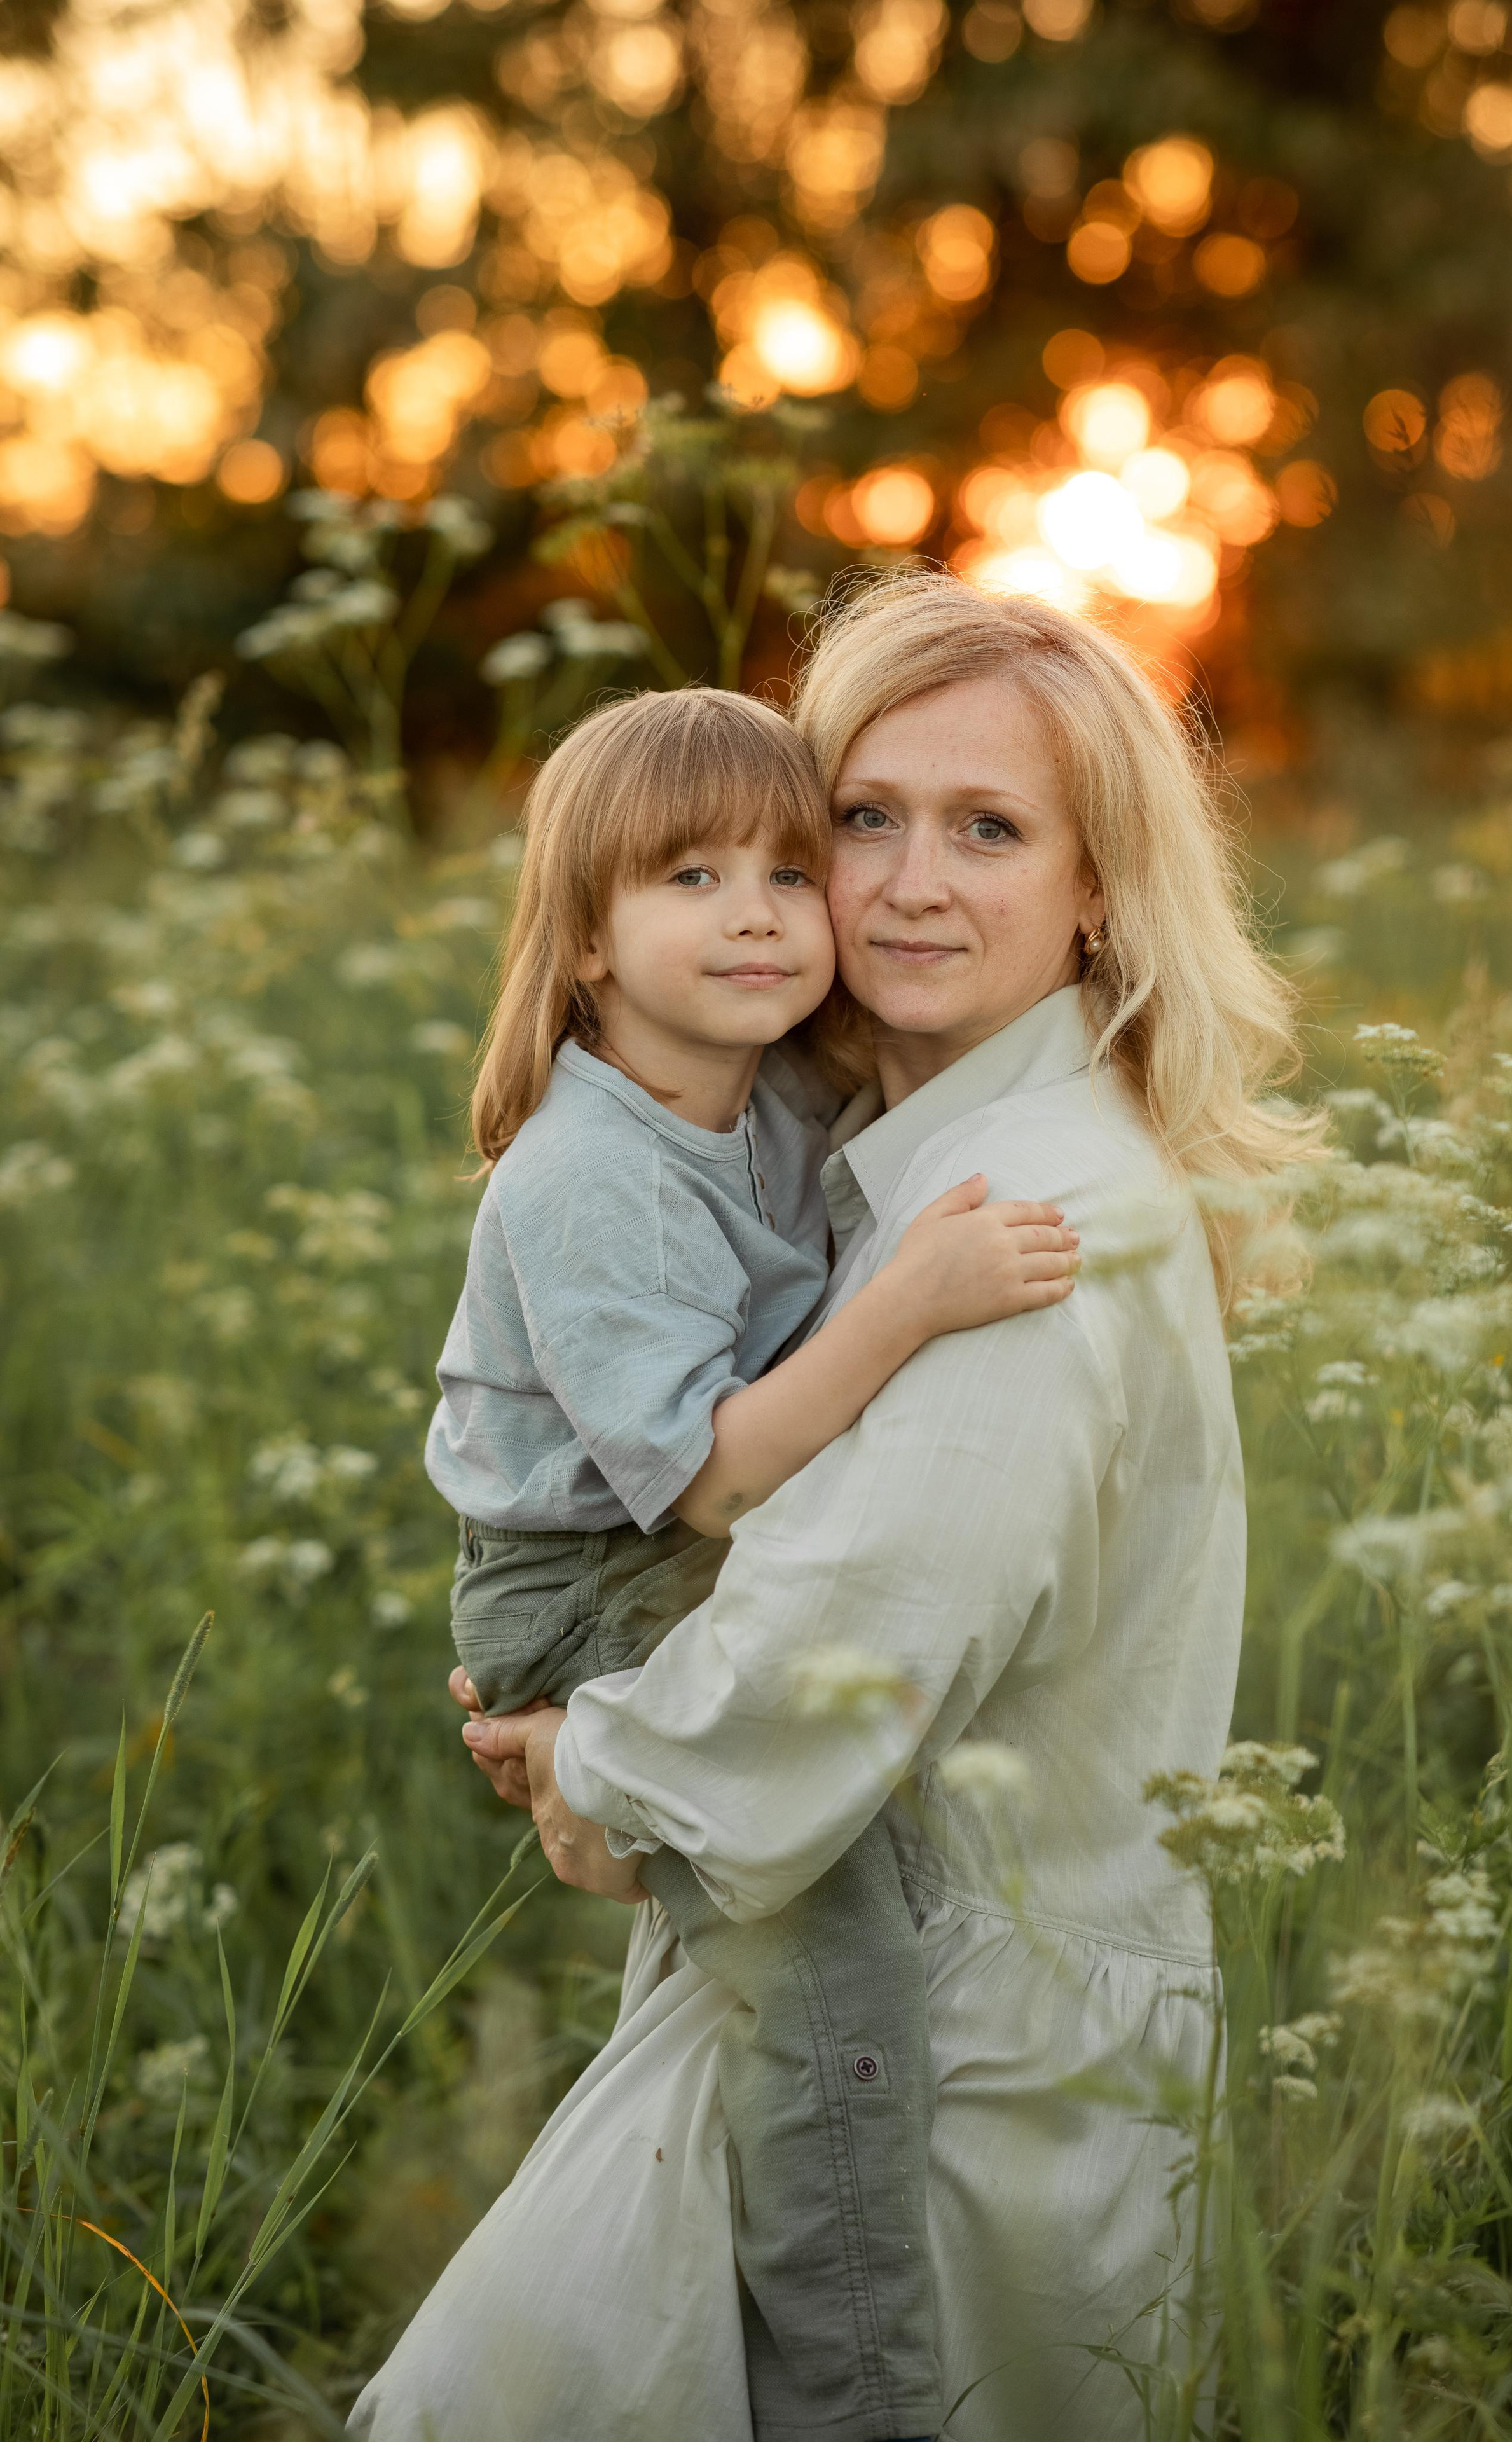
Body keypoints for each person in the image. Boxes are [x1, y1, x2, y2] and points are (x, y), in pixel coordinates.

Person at [352, 574, 1314, 2442]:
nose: (907, 885)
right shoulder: (876, 1146)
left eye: (990, 829)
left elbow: (844, 1645)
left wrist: (586, 1770)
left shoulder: (1028, 1218)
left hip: (962, 2063)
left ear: (1098, 886)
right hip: (838, 1953)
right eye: (865, 818)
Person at [421, 684, 1080, 2442]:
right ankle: (859, 2394)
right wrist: (913, 1301)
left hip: (657, 1542)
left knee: (842, 1847)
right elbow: (709, 1483)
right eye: (692, 878)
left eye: (792, 871)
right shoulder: (587, 1175)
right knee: (828, 1967)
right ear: (585, 939)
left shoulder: (769, 1089)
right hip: (595, 1567)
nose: (760, 916)